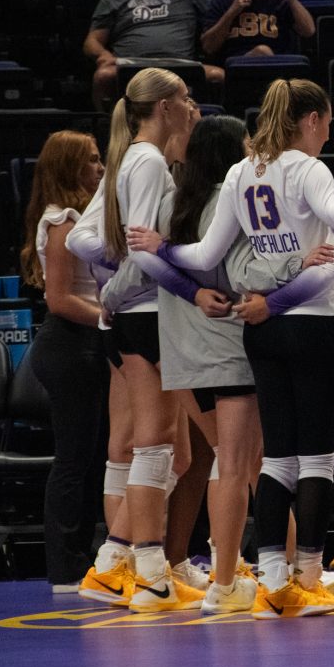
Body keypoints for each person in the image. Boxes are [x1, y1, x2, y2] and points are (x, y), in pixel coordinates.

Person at [127, 78, 334, 619]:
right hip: (310, 320)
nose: (327, 134)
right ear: (310, 121)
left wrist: (161, 246)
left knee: (276, 458)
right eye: (326, 123)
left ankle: (271, 579)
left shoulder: (240, 173)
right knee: (315, 460)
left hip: (261, 330)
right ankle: (306, 575)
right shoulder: (308, 168)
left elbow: (207, 252)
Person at [66, 66, 226, 611]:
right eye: (184, 99)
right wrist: (115, 293)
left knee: (165, 446)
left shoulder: (127, 160)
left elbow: (89, 240)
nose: (190, 107)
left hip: (135, 312)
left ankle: (120, 565)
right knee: (167, 445)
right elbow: (143, 251)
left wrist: (114, 289)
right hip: (152, 311)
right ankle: (147, 567)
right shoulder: (150, 162)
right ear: (163, 107)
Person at [20, 131, 108, 593]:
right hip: (69, 344)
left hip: (85, 344)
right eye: (92, 161)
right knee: (74, 457)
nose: (99, 168)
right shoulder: (63, 221)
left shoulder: (84, 217)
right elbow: (58, 299)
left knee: (93, 456)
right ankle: (65, 567)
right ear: (71, 167)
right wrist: (108, 319)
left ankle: (89, 558)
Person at [84, 0, 219, 111]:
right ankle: (107, 130)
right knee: (103, 76)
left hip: (180, 65)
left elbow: (218, 15)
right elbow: (91, 42)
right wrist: (104, 56)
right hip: (131, 65)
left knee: (218, 75)